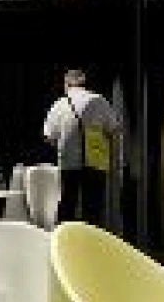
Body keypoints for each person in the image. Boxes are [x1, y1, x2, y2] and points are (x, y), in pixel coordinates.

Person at [43, 68, 120, 226]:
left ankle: (66, 237)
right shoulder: (99, 101)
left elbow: (49, 137)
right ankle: (91, 238)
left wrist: (65, 142)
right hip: (95, 161)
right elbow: (114, 131)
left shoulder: (60, 104)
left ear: (67, 84)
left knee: (67, 204)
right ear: (83, 83)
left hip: (69, 162)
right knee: (93, 208)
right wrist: (114, 160)